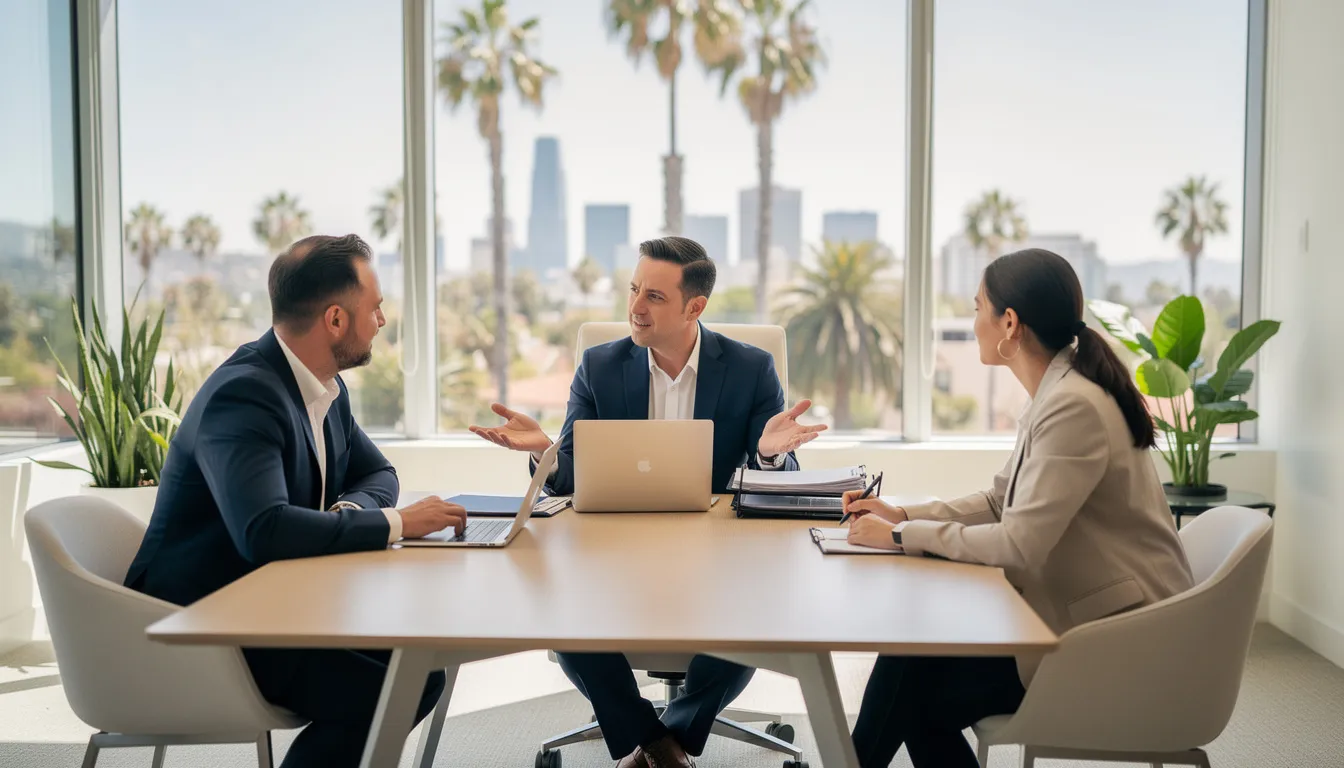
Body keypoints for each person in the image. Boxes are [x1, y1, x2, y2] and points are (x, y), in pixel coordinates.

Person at [470, 235, 826, 768]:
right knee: (563, 610)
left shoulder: (752, 369)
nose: (635, 307)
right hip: (615, 551)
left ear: (695, 307)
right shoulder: (599, 366)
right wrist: (545, 451)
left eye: (654, 296)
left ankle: (663, 740)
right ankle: (659, 742)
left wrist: (772, 456)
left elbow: (774, 487)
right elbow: (569, 481)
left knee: (759, 609)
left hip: (719, 555)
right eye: (634, 289)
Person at [841, 248, 1195, 768]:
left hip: (1117, 641)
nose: (973, 319)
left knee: (914, 691)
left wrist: (899, 538)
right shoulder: (1056, 392)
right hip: (1084, 617)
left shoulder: (1073, 404)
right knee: (911, 660)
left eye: (978, 306)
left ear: (1009, 323)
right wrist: (903, 514)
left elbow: (1018, 543)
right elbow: (997, 500)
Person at [124, 234, 467, 768]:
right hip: (203, 627)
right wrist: (397, 522)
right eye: (374, 309)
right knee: (399, 685)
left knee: (417, 671)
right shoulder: (245, 395)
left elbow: (377, 470)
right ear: (335, 320)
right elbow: (263, 531)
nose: (381, 321)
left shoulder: (325, 387)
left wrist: (350, 514)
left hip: (271, 606)